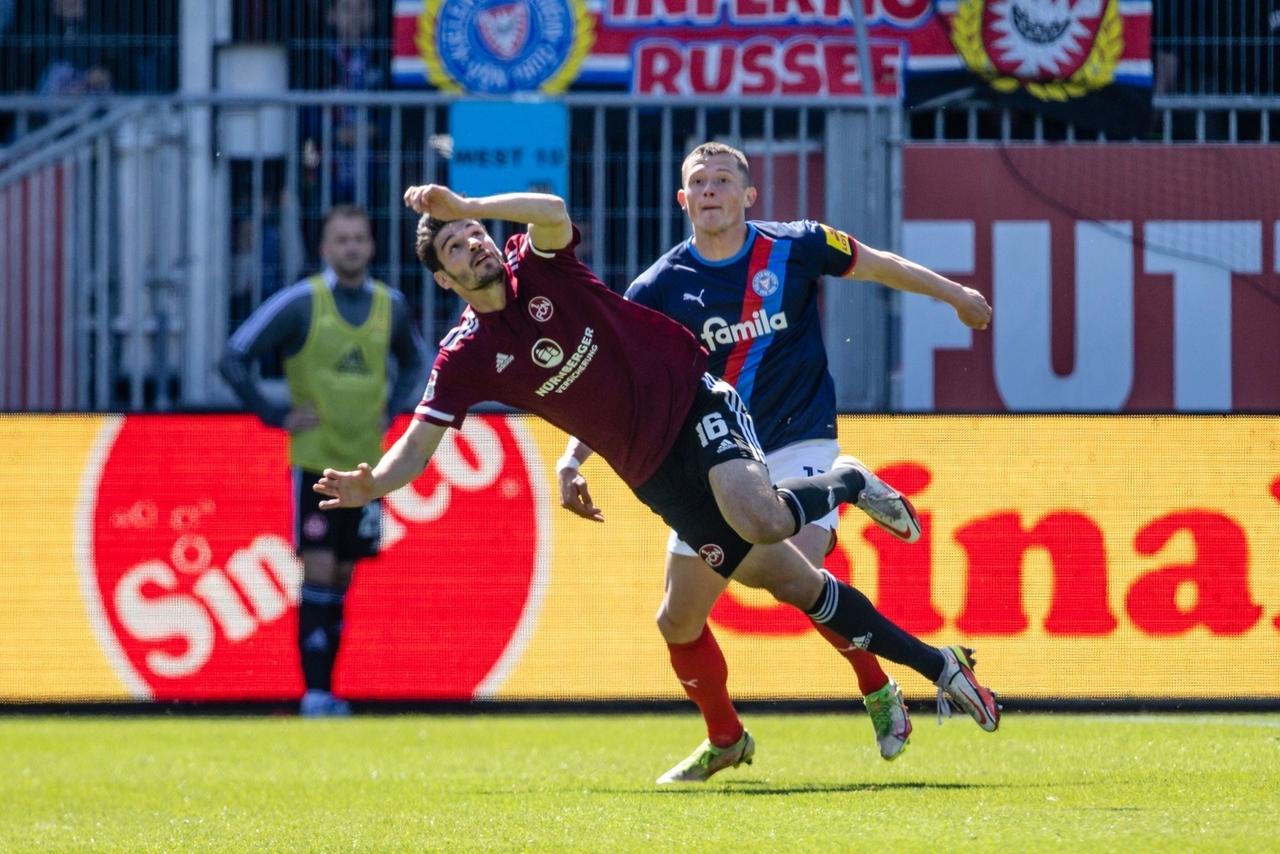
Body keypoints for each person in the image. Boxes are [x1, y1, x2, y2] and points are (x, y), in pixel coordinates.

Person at [314, 184, 1002, 766]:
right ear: (443, 278)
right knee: (787, 585)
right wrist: (372, 484)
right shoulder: (464, 355)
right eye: (457, 246)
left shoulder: (540, 262)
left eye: (476, 233)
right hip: (652, 477)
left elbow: (550, 207)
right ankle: (938, 668)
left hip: (693, 403)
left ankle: (847, 480)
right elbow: (417, 446)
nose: (477, 244)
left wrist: (466, 201)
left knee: (760, 517)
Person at [555, 142, 993, 780]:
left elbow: (878, 265)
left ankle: (876, 679)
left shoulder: (797, 245)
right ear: (682, 200)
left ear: (748, 195)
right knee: (677, 620)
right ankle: (728, 738)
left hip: (799, 439)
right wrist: (572, 457)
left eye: (723, 180)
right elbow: (622, 387)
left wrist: (954, 295)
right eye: (698, 181)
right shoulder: (658, 288)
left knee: (791, 565)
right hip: (718, 461)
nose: (710, 190)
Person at [219, 204, 427, 717]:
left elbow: (419, 361)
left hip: (367, 471)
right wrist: (274, 413)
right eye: (342, 240)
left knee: (341, 576)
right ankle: (313, 694)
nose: (352, 247)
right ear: (325, 249)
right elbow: (234, 355)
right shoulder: (302, 302)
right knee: (318, 568)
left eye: (360, 238)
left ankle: (328, 691)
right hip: (315, 462)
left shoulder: (389, 305)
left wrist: (393, 409)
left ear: (372, 247)